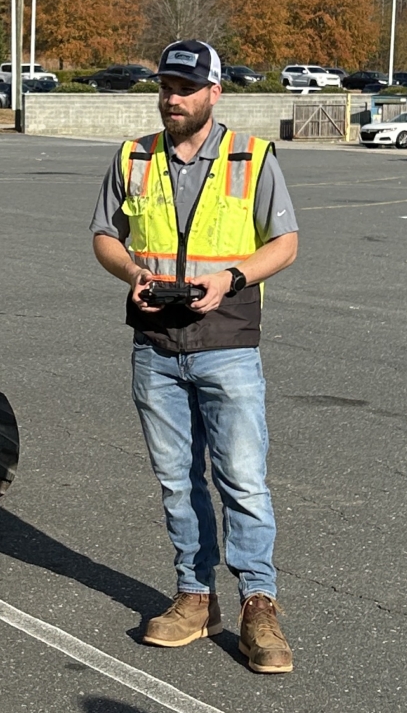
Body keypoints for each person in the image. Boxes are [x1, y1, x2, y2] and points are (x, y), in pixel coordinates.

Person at [90, 39, 299, 674]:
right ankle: (194, 595)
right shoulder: (133, 157)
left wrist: (231, 278)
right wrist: (130, 272)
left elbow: (285, 242)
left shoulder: (252, 157)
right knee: (178, 481)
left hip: (226, 345)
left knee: (243, 481)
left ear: (214, 92)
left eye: (185, 88)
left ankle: (258, 606)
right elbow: (105, 235)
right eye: (165, 87)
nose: (172, 98)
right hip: (155, 348)